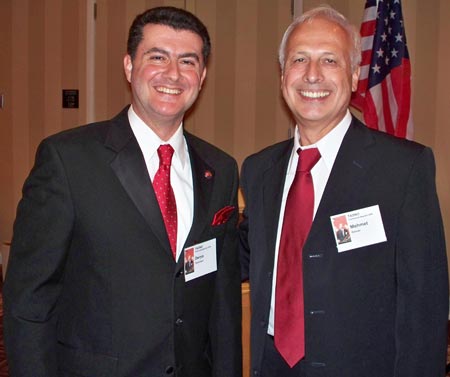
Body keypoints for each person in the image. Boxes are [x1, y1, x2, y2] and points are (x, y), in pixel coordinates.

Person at [4, 6, 242, 377]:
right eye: (157, 57)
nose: (173, 74)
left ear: (203, 75)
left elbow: (222, 304)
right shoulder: (68, 161)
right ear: (129, 66)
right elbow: (28, 302)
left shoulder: (222, 169)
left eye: (188, 61)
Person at [239, 5, 448, 377]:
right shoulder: (258, 170)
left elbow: (424, 309)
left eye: (329, 61)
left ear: (353, 77)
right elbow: (240, 252)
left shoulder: (402, 169)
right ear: (283, 74)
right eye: (299, 59)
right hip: (270, 366)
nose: (312, 75)